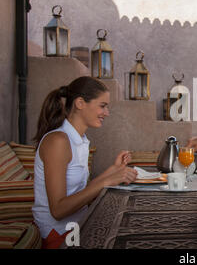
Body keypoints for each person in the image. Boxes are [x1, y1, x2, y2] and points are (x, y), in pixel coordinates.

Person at [32, 76, 138, 249]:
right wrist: (107, 181)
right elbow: (58, 210)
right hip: (58, 234)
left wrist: (114, 169)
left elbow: (81, 192)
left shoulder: (80, 140)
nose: (107, 113)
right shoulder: (58, 141)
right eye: (102, 106)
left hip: (78, 225)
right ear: (80, 103)